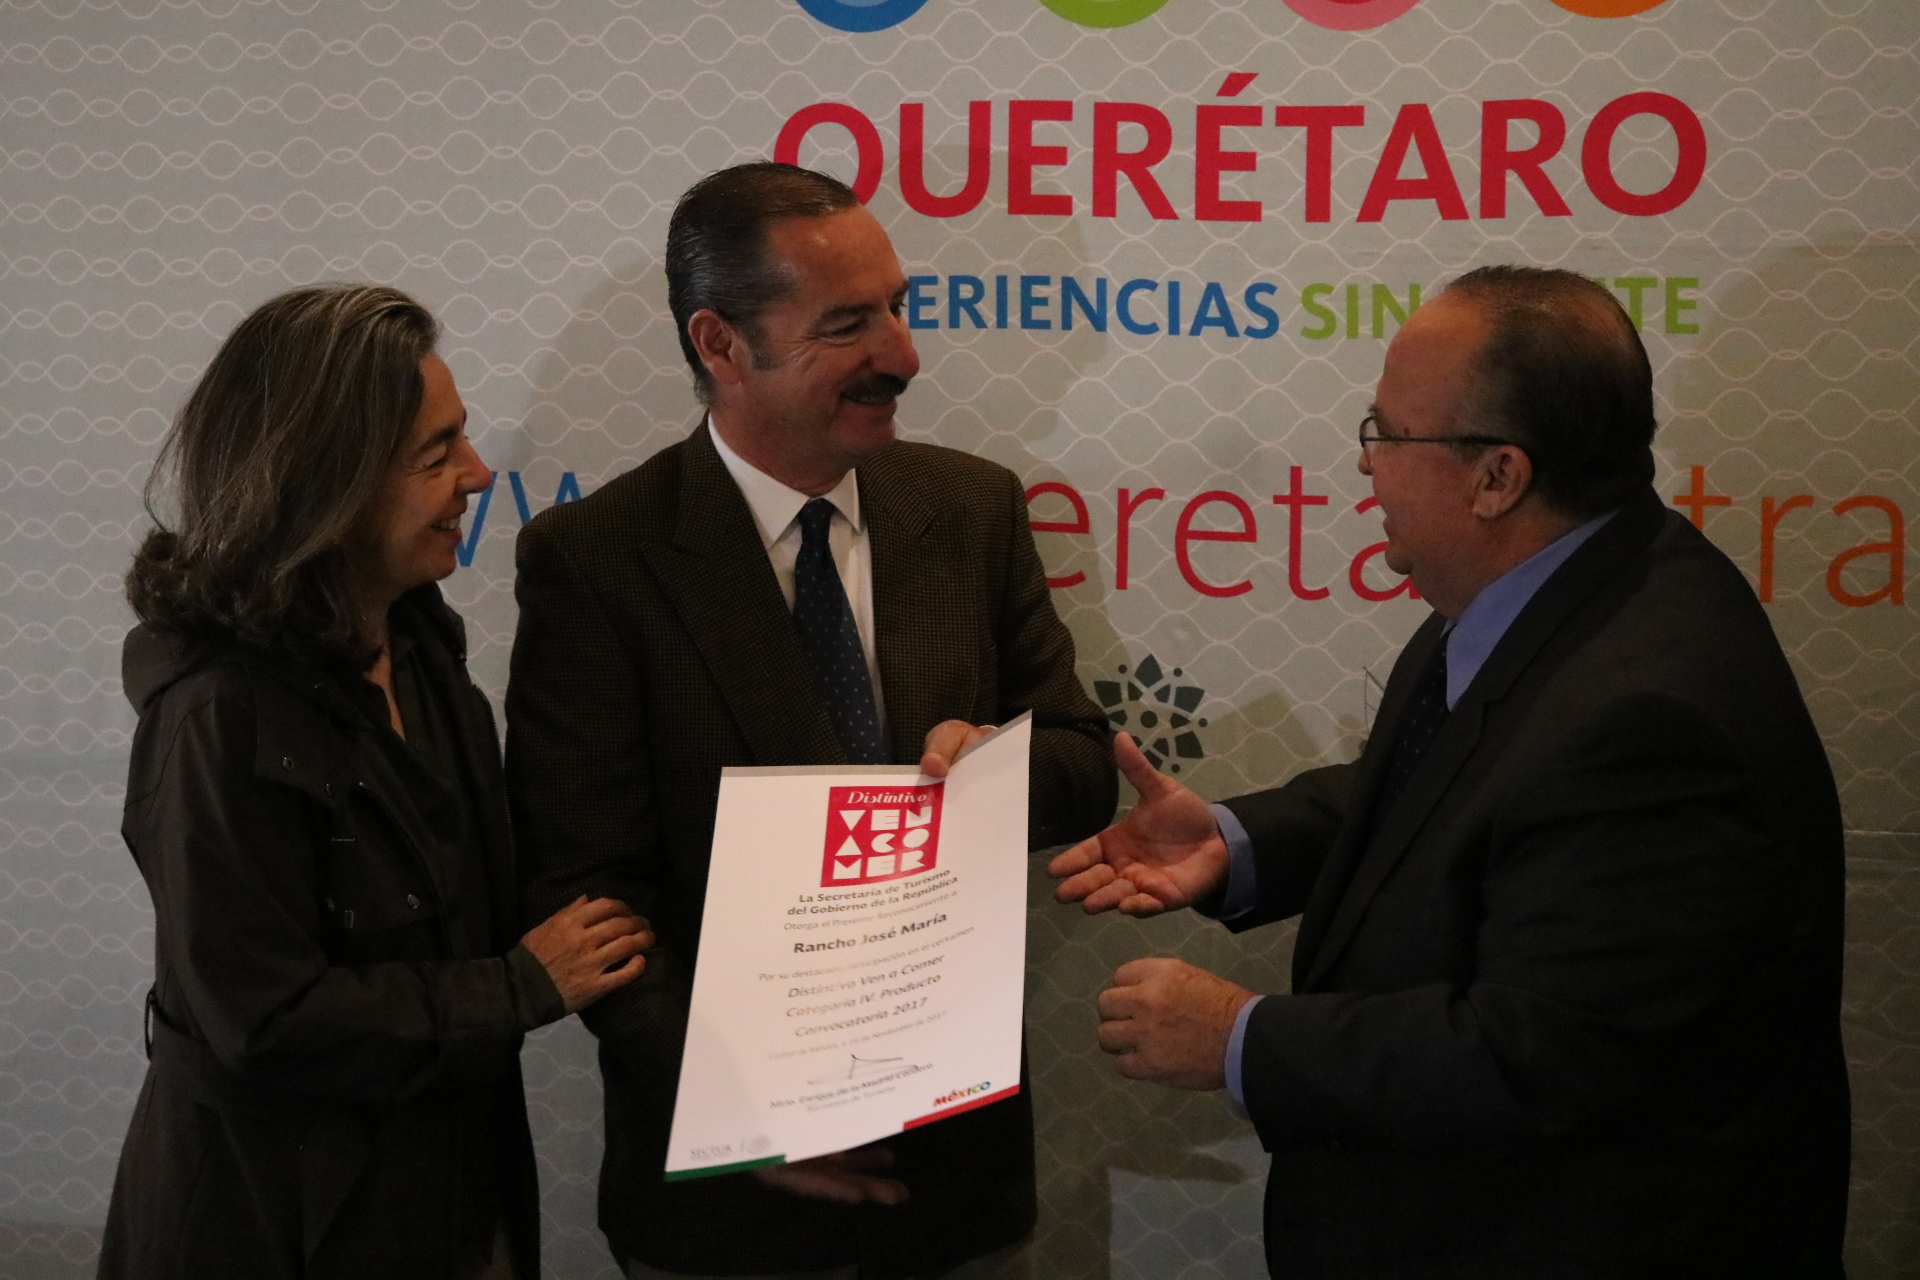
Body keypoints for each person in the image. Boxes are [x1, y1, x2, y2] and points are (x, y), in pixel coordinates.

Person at [1050, 266, 1850, 1277]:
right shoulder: (1564, 582)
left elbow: (1537, 1054)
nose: (1365, 464)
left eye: (1387, 433)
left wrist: (1242, 1040)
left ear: (1497, 477)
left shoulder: (1648, 715)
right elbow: (1466, 793)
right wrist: (1237, 841)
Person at [505, 161, 1116, 1280]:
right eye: (848, 325)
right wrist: (747, 1110)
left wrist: (994, 773)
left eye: (898, 308)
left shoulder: (972, 507)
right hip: (731, 1207)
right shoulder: (598, 561)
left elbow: (1083, 764)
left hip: (956, 1182)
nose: (903, 354)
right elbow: (586, 892)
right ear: (720, 344)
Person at [99, 285, 652, 1280]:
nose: (477, 476)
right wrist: (519, 986)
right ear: (324, 485)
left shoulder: (422, 642)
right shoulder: (216, 716)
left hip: (449, 1189)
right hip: (281, 1223)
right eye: (435, 455)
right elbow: (264, 1018)